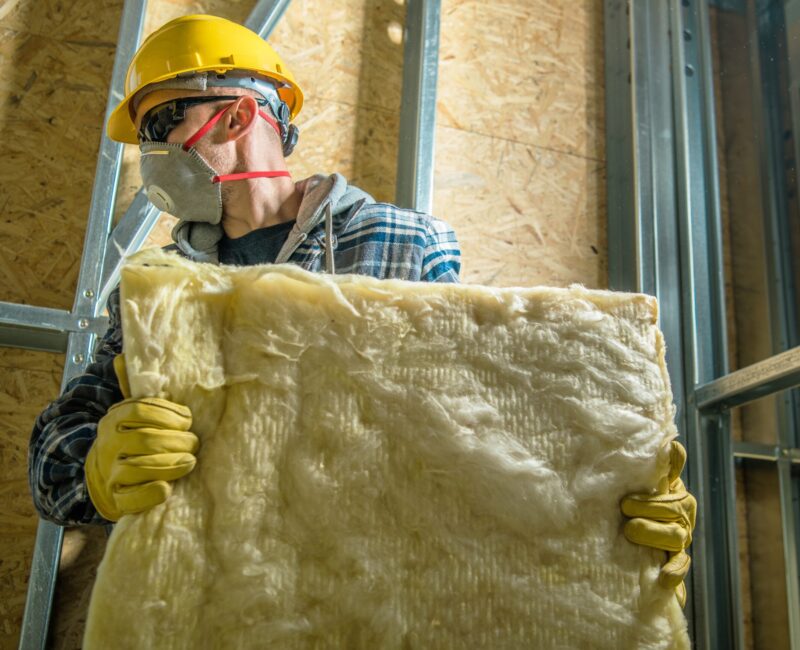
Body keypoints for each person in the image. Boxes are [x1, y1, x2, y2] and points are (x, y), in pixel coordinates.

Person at [28, 14, 696, 606]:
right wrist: (92, 466)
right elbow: (55, 451)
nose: (149, 157)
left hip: (359, 596)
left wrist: (612, 500)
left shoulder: (400, 243)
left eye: (156, 125)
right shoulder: (156, 286)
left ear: (233, 116)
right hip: (210, 604)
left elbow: (480, 416)